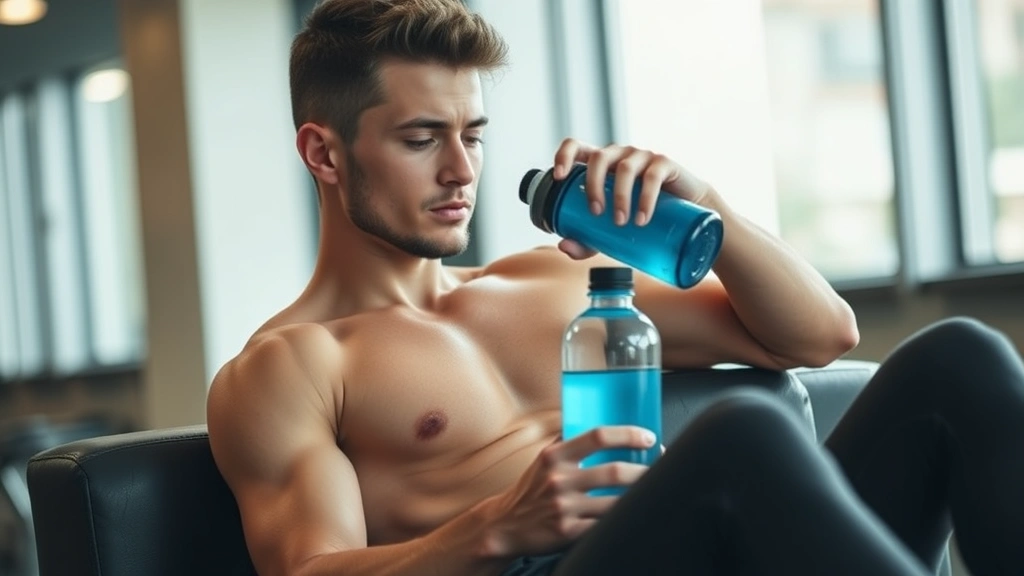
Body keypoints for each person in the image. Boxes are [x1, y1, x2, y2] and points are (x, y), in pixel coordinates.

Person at [206, 1, 1024, 575]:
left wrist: (707, 206)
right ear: (323, 154)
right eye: (422, 139)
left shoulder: (553, 277)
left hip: (705, 550)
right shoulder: (293, 365)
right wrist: (495, 525)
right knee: (740, 438)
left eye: (473, 136)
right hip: (536, 567)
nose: (461, 171)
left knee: (963, 358)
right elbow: (310, 570)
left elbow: (819, 335)